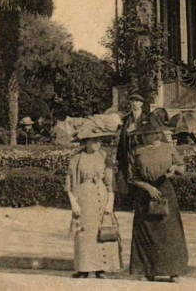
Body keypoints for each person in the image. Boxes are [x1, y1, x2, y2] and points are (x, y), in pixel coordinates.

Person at [128, 118, 188, 282]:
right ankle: (147, 271)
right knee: (145, 232)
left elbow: (182, 168)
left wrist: (175, 168)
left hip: (165, 191)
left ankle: (173, 271)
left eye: (156, 133)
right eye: (149, 134)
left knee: (170, 232)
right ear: (143, 135)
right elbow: (131, 177)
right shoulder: (137, 151)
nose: (153, 136)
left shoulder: (169, 148)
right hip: (145, 193)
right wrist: (148, 188)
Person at [66, 117, 122, 278]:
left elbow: (110, 182)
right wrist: (74, 204)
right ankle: (83, 268)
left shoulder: (104, 156)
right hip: (84, 196)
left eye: (99, 141)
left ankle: (100, 269)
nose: (97, 144)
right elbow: (69, 184)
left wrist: (110, 203)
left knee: (101, 232)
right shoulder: (76, 159)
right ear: (86, 142)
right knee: (84, 232)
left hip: (101, 194)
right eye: (94, 141)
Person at [116, 94, 147, 200]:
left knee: (142, 173)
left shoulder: (146, 118)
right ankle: (130, 200)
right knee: (129, 174)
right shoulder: (127, 118)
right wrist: (119, 156)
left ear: (141, 103)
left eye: (136, 101)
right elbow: (122, 138)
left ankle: (142, 199)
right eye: (132, 101)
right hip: (129, 150)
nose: (134, 103)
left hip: (142, 150)